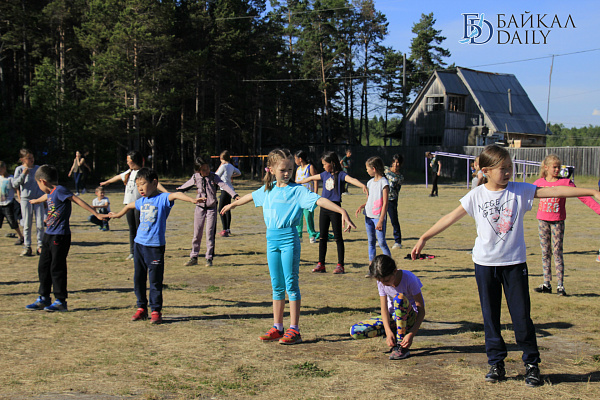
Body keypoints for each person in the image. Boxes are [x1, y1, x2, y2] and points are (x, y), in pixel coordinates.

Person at [411, 144, 600, 387]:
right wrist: (424, 237)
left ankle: (532, 364)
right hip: (485, 265)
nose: (509, 172)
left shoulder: (520, 191)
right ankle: (496, 363)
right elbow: (450, 217)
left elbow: (556, 191)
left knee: (521, 318)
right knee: (491, 317)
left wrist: (592, 192)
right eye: (503, 168)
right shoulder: (476, 195)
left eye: (511, 167)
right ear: (486, 170)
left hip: (514, 265)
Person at [221, 149, 356, 344]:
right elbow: (250, 196)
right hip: (271, 240)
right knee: (277, 286)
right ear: (271, 169)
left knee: (291, 284)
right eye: (283, 169)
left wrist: (341, 210)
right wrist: (233, 205)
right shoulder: (268, 189)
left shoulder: (298, 191)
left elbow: (320, 200)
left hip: (289, 240)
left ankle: (294, 329)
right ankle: (277, 327)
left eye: (290, 169)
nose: (287, 173)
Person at [108, 167, 203, 324]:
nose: (140, 188)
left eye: (143, 184)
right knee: (138, 278)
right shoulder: (142, 201)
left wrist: (192, 200)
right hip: (139, 245)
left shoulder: (162, 199)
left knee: (155, 281)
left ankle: (156, 311)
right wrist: (118, 214)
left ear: (154, 183)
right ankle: (141, 308)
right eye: (138, 185)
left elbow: (176, 194)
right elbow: (129, 206)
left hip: (155, 247)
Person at [25, 165, 107, 312]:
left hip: (60, 236)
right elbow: (47, 196)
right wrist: (37, 200)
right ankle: (43, 297)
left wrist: (96, 213)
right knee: (43, 267)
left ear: (42, 181)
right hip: (48, 234)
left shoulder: (60, 190)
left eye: (38, 184)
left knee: (57, 267)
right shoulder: (51, 192)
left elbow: (76, 199)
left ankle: (60, 301)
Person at [532, 154, 600, 296]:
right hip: (542, 221)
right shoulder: (538, 183)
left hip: (557, 221)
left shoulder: (565, 183)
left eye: (559, 167)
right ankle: (546, 283)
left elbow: (583, 197)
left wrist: (598, 209)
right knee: (545, 252)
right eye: (554, 167)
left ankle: (560, 286)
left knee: (557, 252)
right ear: (546, 167)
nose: (557, 170)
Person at [297, 151, 367, 274]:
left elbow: (351, 179)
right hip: (324, 209)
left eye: (325, 164)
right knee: (322, 237)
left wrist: (362, 185)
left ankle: (340, 265)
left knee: (338, 237)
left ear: (332, 163)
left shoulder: (340, 175)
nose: (323, 166)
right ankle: (321, 264)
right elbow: (311, 178)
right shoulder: (324, 174)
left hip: (335, 209)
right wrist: (296, 182)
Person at [350, 254, 425, 360]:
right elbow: (384, 308)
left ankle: (400, 346)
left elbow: (421, 310)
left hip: (410, 319)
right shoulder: (381, 281)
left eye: (386, 281)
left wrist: (412, 334)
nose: (384, 284)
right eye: (380, 281)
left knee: (399, 299)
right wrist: (388, 331)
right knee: (356, 331)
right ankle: (395, 333)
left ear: (394, 271)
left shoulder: (410, 279)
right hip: (393, 318)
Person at [100, 151, 167, 260]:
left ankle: (142, 251)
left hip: (140, 205)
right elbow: (118, 177)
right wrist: (107, 182)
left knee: (140, 229)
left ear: (135, 161)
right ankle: (133, 252)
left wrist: (166, 192)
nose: (127, 162)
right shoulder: (129, 172)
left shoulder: (142, 173)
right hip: (128, 204)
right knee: (132, 229)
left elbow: (157, 183)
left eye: (129, 160)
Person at [178, 156, 239, 267]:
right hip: (199, 208)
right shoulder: (195, 177)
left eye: (208, 168)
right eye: (204, 169)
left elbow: (224, 185)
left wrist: (234, 195)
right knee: (197, 234)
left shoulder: (213, 177)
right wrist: (176, 192)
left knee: (210, 234)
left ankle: (209, 258)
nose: (207, 171)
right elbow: (184, 187)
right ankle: (194, 257)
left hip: (211, 209)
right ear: (198, 170)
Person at [356, 157, 391, 265]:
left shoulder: (384, 182)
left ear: (374, 168)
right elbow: (371, 199)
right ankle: (371, 268)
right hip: (368, 216)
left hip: (378, 218)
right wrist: (363, 206)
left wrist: (381, 220)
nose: (367, 170)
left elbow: (385, 203)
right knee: (371, 242)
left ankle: (389, 266)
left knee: (381, 242)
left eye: (368, 168)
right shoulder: (370, 182)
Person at [12, 148, 45, 256]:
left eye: (32, 158)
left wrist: (45, 197)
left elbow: (43, 183)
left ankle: (40, 245)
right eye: (28, 158)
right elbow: (15, 184)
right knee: (27, 224)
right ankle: (27, 246)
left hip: (39, 198)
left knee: (40, 223)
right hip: (26, 199)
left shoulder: (38, 168)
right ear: (22, 159)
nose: (31, 160)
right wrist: (23, 174)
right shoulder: (19, 169)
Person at [294, 150, 318, 244]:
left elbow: (316, 179)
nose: (295, 160)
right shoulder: (298, 169)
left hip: (308, 196)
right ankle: (299, 235)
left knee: (308, 216)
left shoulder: (310, 167)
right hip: (298, 197)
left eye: (295, 158)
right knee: (298, 217)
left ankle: (312, 235)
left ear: (300, 159)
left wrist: (315, 193)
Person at [215, 150, 241, 237]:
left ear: (221, 158)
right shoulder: (231, 166)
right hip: (231, 189)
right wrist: (231, 176)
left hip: (224, 189)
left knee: (221, 209)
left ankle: (224, 229)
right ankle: (228, 229)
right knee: (228, 209)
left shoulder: (223, 166)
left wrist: (219, 167)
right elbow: (239, 173)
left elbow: (215, 175)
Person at [0, 161, 24, 244]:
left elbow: (16, 189)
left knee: (12, 222)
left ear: (4, 168)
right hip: (0, 204)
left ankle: (21, 236)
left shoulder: (11, 178)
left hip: (8, 204)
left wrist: (20, 199)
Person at [385, 154, 404, 249]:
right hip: (382, 198)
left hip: (391, 200)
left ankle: (397, 241)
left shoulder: (400, 177)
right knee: (381, 220)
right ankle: (381, 239)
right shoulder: (386, 170)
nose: (396, 164)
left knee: (394, 220)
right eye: (394, 162)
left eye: (398, 163)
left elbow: (397, 190)